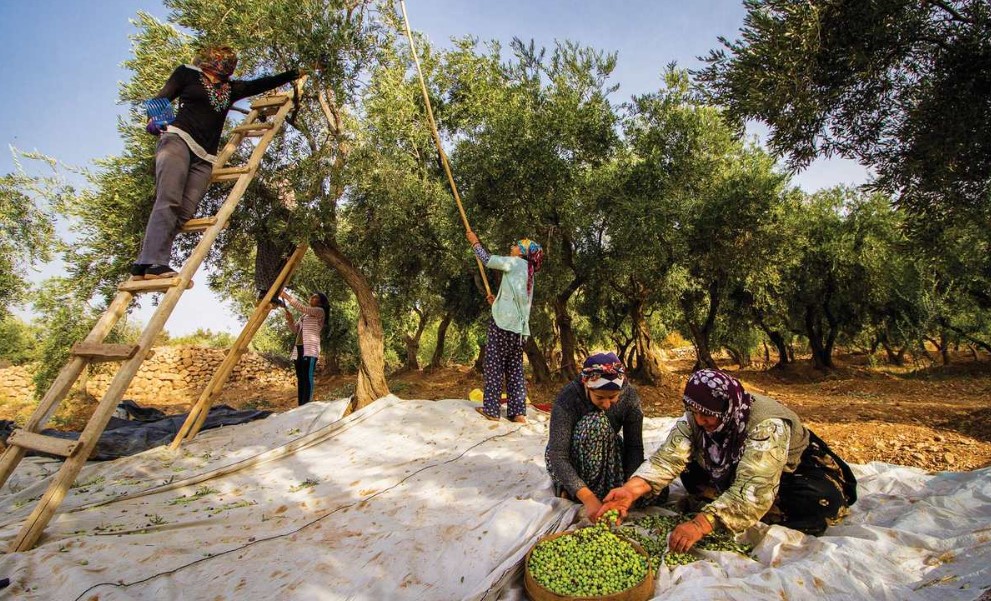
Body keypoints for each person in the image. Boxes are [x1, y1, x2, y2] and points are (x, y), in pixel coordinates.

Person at [595, 368, 857, 552]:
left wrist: (701, 524)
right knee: (690, 473)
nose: (701, 421)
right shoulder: (696, 419)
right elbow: (667, 459)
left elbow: (755, 486)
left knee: (819, 502)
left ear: (728, 408)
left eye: (708, 415)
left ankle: (733, 509)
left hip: (790, 469)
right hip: (733, 467)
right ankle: (731, 507)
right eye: (695, 413)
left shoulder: (766, 425)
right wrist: (630, 491)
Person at [131, 45, 301, 280]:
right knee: (168, 199)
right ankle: (155, 262)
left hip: (206, 156)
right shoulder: (187, 73)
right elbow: (161, 98)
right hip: (178, 141)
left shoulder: (229, 89)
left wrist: (294, 74)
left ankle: (145, 262)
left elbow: (261, 83)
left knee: (186, 210)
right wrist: (155, 121)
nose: (225, 64)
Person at [544, 352, 646, 521]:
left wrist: (628, 490)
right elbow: (558, 455)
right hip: (574, 458)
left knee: (654, 492)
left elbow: (634, 447)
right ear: (587, 386)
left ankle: (602, 492)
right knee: (595, 423)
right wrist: (588, 499)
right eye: (600, 398)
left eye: (612, 398)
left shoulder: (630, 398)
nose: (606, 405)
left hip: (607, 453)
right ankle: (575, 489)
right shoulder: (568, 398)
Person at [466, 231, 544, 423]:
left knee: (494, 364)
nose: (513, 246)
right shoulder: (529, 272)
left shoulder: (515, 262)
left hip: (502, 325)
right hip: (519, 330)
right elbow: (517, 299)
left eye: (518, 244)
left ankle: (492, 410)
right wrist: (497, 302)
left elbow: (487, 260)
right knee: (514, 368)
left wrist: (475, 242)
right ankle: (518, 413)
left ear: (522, 253)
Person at [280, 290, 329, 406]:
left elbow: (303, 308)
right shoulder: (304, 316)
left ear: (321, 302)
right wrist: (290, 320)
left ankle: (307, 404)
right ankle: (301, 405)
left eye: (316, 297)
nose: (312, 298)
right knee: (300, 377)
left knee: (307, 377)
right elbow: (295, 330)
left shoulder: (319, 311)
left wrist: (285, 296)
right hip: (299, 349)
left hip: (310, 350)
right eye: (312, 296)